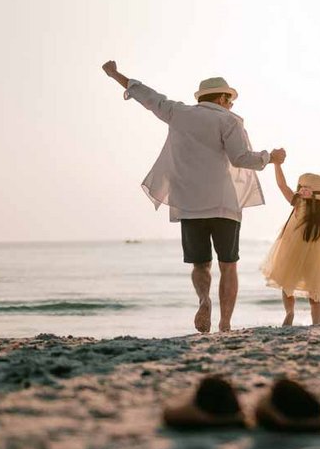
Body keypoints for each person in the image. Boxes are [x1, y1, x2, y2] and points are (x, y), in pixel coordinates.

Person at [101, 61, 285, 333]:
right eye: (230, 100)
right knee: (228, 265)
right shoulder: (228, 121)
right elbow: (240, 158)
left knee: (201, 263)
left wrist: (116, 74)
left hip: (189, 204)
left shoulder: (177, 112)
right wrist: (270, 157)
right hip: (223, 204)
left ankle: (203, 300)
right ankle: (224, 323)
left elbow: (147, 96)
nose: (231, 105)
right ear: (222, 98)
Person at [260, 169, 320, 326]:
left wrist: (277, 165)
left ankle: (290, 312)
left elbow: (281, 185)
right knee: (316, 290)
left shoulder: (298, 204)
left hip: (293, 249)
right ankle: (317, 323)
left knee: (287, 283)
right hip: (317, 253)